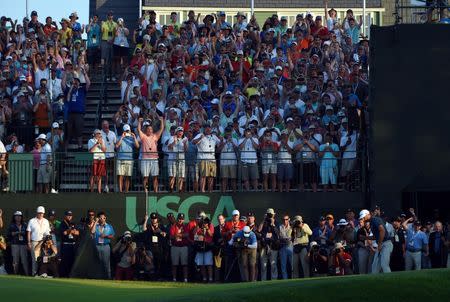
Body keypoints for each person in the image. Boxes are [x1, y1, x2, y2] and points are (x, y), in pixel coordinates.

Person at [359, 209, 393, 274]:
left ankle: (390, 281)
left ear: (367, 215)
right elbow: (376, 236)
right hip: (382, 244)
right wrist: (365, 237)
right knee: (375, 267)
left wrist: (379, 244)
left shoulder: (375, 219)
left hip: (386, 243)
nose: (362, 219)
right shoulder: (372, 222)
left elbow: (382, 230)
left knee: (384, 265)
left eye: (363, 217)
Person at [137, 116, 165, 193]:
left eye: (151, 129)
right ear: (146, 130)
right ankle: (145, 190)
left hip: (154, 159)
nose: (149, 130)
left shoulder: (155, 136)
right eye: (148, 129)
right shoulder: (143, 136)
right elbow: (138, 129)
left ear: (152, 130)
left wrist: (162, 121)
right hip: (145, 159)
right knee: (145, 177)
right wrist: (139, 122)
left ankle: (155, 191)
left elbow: (161, 129)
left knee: (155, 177)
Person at [65, 73, 90, 151]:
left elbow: (89, 83)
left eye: (77, 82)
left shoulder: (82, 90)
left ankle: (80, 147)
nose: (75, 83)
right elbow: (68, 99)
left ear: (79, 83)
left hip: (79, 114)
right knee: (68, 132)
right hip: (70, 114)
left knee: (79, 131)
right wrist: (72, 85)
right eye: (74, 81)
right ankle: (65, 150)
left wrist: (85, 73)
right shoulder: (70, 90)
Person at [193, 124, 221, 192]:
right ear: (204, 129)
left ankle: (210, 191)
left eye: (209, 128)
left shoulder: (214, 136)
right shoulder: (200, 135)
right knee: (203, 176)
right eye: (206, 128)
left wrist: (222, 140)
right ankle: (202, 191)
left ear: (211, 129)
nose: (208, 129)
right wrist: (200, 138)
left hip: (212, 159)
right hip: (203, 159)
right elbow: (193, 142)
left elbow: (219, 144)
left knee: (211, 176)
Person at [143, 212, 168, 279]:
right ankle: (152, 277)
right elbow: (144, 229)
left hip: (158, 247)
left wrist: (158, 230)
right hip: (151, 247)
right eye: (152, 218)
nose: (154, 220)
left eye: (155, 218)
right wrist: (145, 220)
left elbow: (165, 234)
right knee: (151, 262)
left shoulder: (161, 226)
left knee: (159, 262)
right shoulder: (149, 226)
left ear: (157, 219)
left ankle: (159, 276)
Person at [27, 206, 51, 276]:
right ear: (37, 213)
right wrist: (28, 242)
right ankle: (34, 274)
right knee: (35, 259)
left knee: (44, 259)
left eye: (42, 213)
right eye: (39, 213)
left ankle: (42, 273)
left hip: (44, 242)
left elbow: (47, 232)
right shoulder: (32, 221)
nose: (41, 214)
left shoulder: (46, 221)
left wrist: (48, 240)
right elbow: (28, 232)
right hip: (34, 242)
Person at [91, 212, 115, 279]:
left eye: (103, 218)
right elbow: (92, 232)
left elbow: (112, 236)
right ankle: (99, 278)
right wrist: (96, 222)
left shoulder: (109, 226)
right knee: (98, 263)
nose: (102, 219)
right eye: (100, 218)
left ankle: (108, 278)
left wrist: (106, 236)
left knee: (106, 263)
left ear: (105, 218)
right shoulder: (96, 226)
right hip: (97, 246)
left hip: (106, 246)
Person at [115, 124, 139, 193]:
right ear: (123, 131)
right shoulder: (119, 137)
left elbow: (137, 146)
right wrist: (122, 137)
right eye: (126, 131)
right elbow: (116, 146)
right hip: (120, 159)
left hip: (129, 159)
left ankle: (126, 190)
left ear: (130, 130)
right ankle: (120, 190)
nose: (127, 132)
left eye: (128, 131)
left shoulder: (132, 138)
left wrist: (134, 137)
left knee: (128, 176)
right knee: (121, 176)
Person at [259, 208, 281, 281]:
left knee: (273, 264)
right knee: (263, 265)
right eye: (268, 214)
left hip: (273, 246)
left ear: (273, 215)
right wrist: (263, 220)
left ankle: (274, 280)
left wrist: (273, 224)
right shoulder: (264, 222)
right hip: (264, 246)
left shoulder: (276, 222)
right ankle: (263, 280)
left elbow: (278, 233)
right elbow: (259, 230)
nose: (270, 216)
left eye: (271, 215)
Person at [192, 215, 215, 282]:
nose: (205, 223)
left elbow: (211, 235)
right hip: (200, 247)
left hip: (208, 247)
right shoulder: (198, 226)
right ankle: (204, 278)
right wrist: (198, 226)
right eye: (203, 221)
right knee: (201, 264)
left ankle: (210, 278)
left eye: (206, 222)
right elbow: (194, 234)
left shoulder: (210, 225)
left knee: (209, 264)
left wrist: (207, 228)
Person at [58, 210, 80, 277]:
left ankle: (70, 275)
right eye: (68, 215)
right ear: (65, 216)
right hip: (66, 244)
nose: (69, 217)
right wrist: (70, 230)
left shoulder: (73, 223)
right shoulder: (62, 223)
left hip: (73, 244)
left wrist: (72, 231)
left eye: (70, 215)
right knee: (65, 261)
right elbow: (63, 233)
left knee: (72, 260)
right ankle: (63, 275)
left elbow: (77, 233)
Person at [7, 211, 29, 275]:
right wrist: (15, 233)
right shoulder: (11, 225)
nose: (18, 217)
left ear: (21, 217)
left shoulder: (25, 225)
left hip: (23, 245)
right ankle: (15, 274)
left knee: (24, 260)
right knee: (15, 261)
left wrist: (28, 243)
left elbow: (28, 234)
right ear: (14, 217)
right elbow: (8, 234)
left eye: (19, 216)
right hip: (15, 244)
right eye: (16, 216)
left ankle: (27, 274)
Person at [169, 213, 189, 282]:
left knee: (185, 264)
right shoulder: (173, 226)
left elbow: (187, 235)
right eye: (179, 219)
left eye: (182, 219)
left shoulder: (185, 226)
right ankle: (174, 278)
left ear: (184, 220)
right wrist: (180, 235)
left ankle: (185, 279)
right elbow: (171, 236)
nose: (180, 220)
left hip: (184, 247)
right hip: (175, 247)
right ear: (177, 219)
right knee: (174, 264)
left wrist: (178, 235)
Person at [88, 129, 107, 193]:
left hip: (101, 159)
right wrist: (97, 144)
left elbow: (104, 151)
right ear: (94, 134)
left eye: (100, 133)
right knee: (93, 175)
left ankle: (99, 191)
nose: (99, 135)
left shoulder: (103, 141)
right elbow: (90, 151)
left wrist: (101, 144)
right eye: (98, 133)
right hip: (94, 159)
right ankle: (92, 190)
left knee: (100, 175)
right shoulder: (90, 140)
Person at [101, 120, 117, 193]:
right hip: (104, 156)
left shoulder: (112, 133)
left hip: (112, 155)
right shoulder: (100, 134)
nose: (105, 126)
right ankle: (106, 186)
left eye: (106, 124)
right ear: (102, 126)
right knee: (105, 173)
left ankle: (115, 186)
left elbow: (115, 144)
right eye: (104, 124)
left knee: (114, 171)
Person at [279, 214, 293, 279]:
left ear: (289, 219)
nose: (285, 221)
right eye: (284, 219)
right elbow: (279, 237)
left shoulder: (292, 227)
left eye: (286, 219)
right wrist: (283, 239)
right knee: (283, 265)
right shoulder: (280, 227)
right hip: (283, 247)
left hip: (291, 246)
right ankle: (285, 280)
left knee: (292, 264)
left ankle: (294, 278)